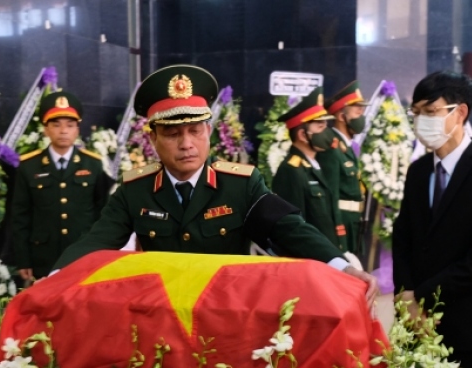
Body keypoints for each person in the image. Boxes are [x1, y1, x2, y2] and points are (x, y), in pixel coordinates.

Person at [53, 65, 377, 303]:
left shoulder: (241, 184)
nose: (186, 143)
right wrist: (54, 278)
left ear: (209, 132)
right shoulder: (135, 191)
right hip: (163, 311)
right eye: (172, 133)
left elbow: (288, 227)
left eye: (195, 130)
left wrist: (341, 265)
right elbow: (97, 241)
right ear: (152, 138)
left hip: (227, 309)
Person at [392, 71, 472, 368]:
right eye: (417, 113)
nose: (421, 120)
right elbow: (404, 235)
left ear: (459, 112)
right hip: (414, 322)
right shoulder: (420, 170)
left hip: (467, 321)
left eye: (430, 112)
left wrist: (423, 299)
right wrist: (406, 295)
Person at [11, 91, 112, 281]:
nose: (63, 131)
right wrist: (23, 260)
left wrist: (102, 253)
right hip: (43, 256)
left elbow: (103, 213)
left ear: (77, 130)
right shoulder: (29, 166)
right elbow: (20, 216)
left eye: (70, 125)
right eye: (56, 125)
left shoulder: (93, 164)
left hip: (83, 253)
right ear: (45, 129)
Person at [272, 87, 346, 252]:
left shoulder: (314, 166)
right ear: (302, 135)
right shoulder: (291, 171)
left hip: (327, 256)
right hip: (312, 259)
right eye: (320, 127)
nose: (326, 132)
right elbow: (294, 229)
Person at [318, 81, 369, 258]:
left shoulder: (346, 148)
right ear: (341, 116)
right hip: (342, 224)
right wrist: (338, 233)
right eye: (357, 110)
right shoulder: (332, 148)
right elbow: (331, 195)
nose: (361, 115)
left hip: (353, 222)